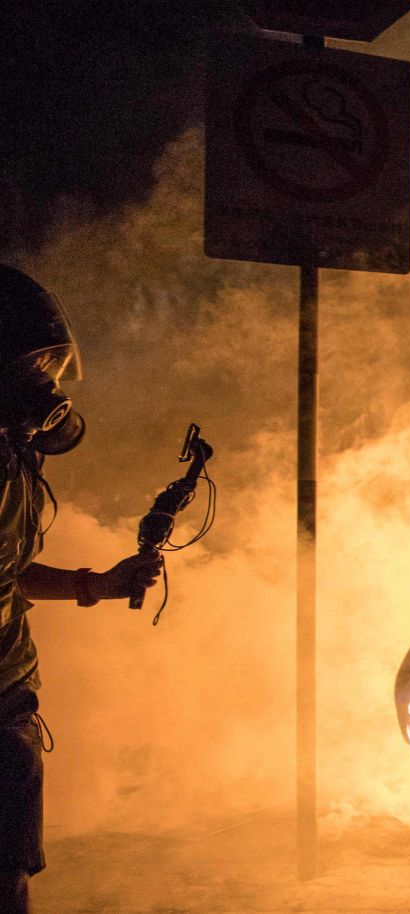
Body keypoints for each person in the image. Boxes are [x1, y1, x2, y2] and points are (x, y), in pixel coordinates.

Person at [0, 265, 163, 914]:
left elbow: (8, 573)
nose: (43, 402)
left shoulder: (12, 467)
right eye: (27, 377)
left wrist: (96, 583)